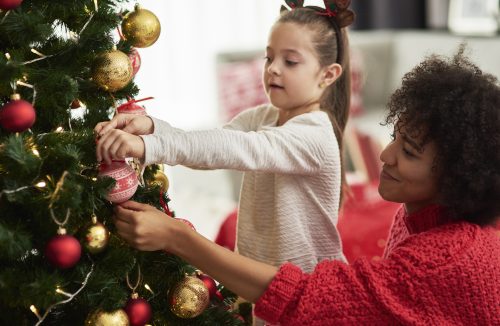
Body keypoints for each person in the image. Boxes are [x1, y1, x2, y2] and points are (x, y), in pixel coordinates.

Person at [110, 48, 500, 325]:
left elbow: (308, 298)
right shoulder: (418, 212)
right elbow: (226, 140)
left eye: (409, 152)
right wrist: (157, 132)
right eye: (395, 137)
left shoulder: (446, 258)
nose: (386, 156)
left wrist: (179, 239)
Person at [96, 0, 355, 275]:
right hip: (267, 287)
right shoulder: (262, 116)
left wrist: (149, 146)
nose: (273, 69)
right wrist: (151, 127)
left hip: (313, 292)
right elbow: (213, 144)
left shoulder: (314, 133)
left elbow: (238, 148)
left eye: (290, 61)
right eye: (269, 58)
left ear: (328, 75)